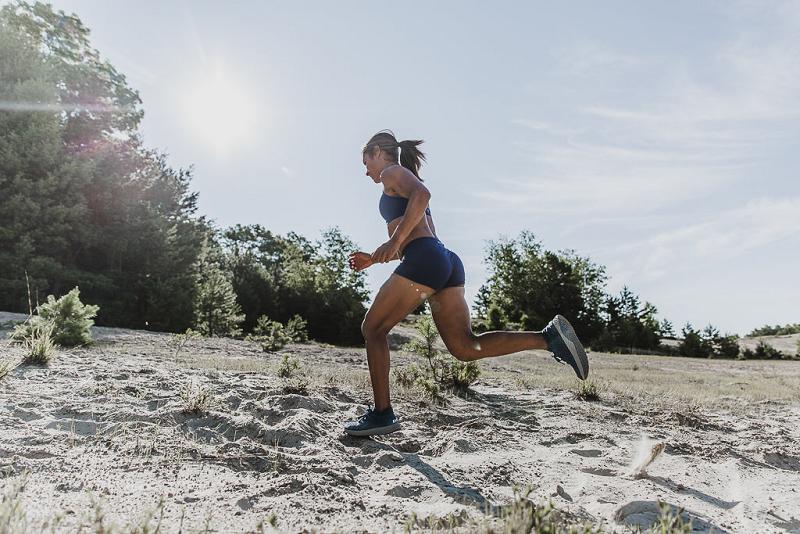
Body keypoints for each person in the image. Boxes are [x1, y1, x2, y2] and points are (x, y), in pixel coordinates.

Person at [344, 130, 588, 437]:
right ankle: (549, 338)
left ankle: (382, 414)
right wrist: (375, 257)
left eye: (364, 160)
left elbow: (423, 198)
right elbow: (413, 238)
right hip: (442, 260)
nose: (364, 169)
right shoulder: (399, 179)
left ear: (378, 151)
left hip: (426, 258)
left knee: (373, 329)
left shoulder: (392, 172)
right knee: (465, 346)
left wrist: (394, 240)